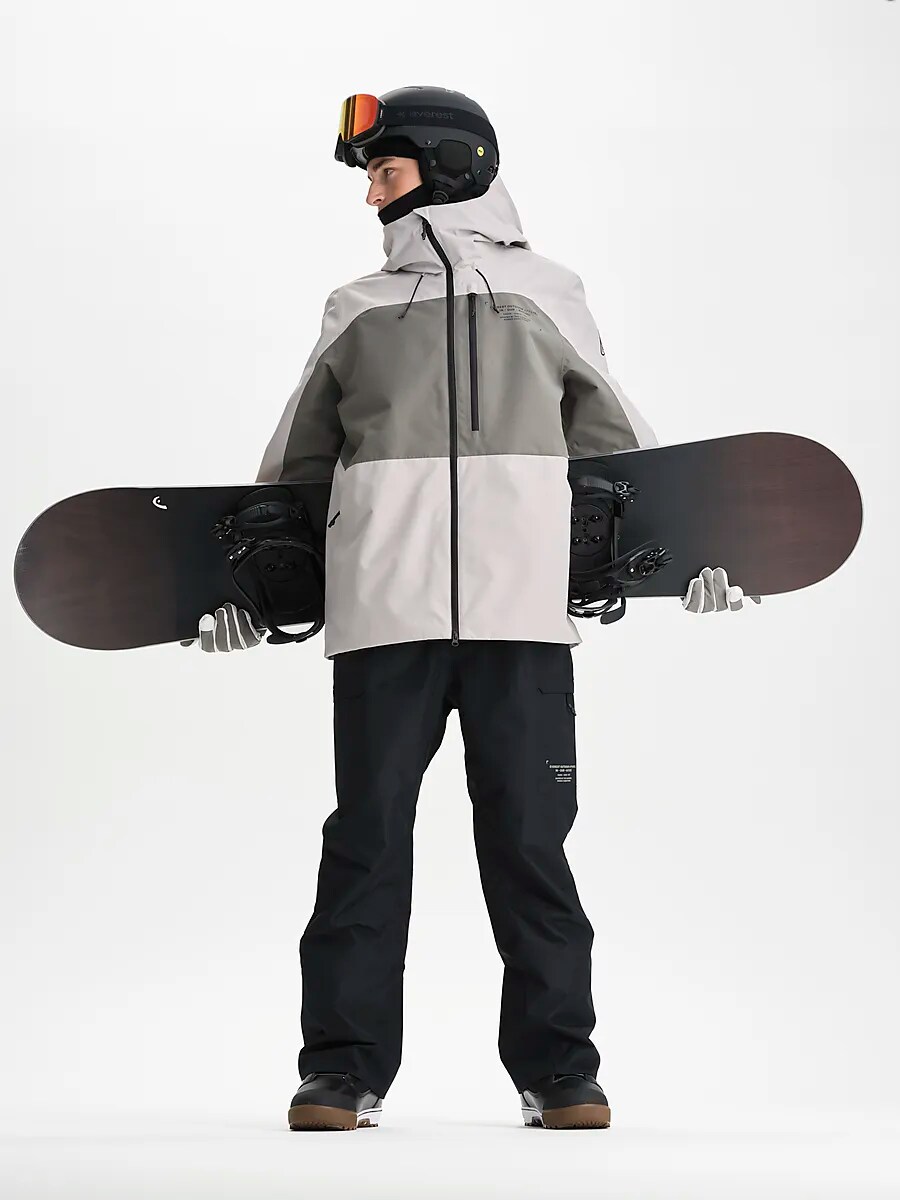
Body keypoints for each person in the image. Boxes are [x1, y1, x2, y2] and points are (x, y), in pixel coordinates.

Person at [183, 86, 760, 1128]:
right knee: (366, 842)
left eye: (384, 171)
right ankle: (342, 1071)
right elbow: (294, 474)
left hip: (522, 618)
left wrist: (695, 562)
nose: (370, 196)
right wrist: (240, 596)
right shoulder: (356, 308)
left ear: (450, 166)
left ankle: (560, 1071)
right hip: (384, 617)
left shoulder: (547, 293)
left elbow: (623, 454)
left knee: (531, 844)